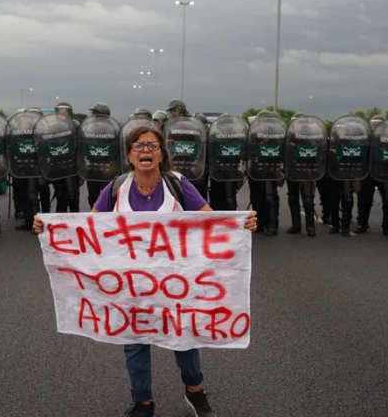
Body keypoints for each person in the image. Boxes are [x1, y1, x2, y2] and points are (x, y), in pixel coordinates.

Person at [33, 126, 256, 417]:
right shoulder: (116, 188)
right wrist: (50, 229)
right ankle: (143, 402)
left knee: (185, 336)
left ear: (162, 154)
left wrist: (240, 224)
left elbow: (211, 222)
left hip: (176, 286)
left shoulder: (177, 184)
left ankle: (195, 391)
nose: (145, 151)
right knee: (134, 342)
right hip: (132, 287)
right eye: (138, 146)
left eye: (151, 145)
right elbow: (87, 229)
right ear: (129, 155)